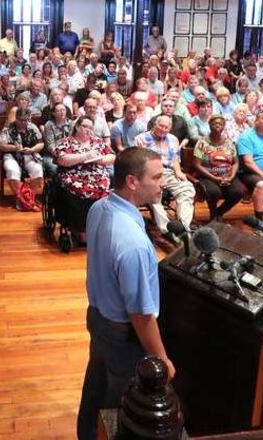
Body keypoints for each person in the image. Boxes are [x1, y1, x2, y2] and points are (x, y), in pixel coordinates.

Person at [76, 147, 176, 440]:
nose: (163, 183)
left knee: (94, 386)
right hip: (122, 336)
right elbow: (142, 315)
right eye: (157, 177)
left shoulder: (98, 207)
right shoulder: (135, 244)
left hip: (98, 318)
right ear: (132, 182)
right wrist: (163, 359)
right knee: (117, 407)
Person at [53, 116, 116, 239]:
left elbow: (112, 156)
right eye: (84, 126)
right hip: (73, 173)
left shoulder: (97, 141)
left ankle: (100, 226)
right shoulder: (66, 142)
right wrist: (85, 156)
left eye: (90, 127)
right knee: (81, 188)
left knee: (104, 185)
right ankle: (80, 228)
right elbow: (61, 159)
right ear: (77, 127)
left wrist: (100, 159)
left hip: (96, 172)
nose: (88, 130)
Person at [135, 115, 196, 240]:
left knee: (187, 189)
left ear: (170, 128)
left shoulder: (173, 139)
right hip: (150, 173)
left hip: (169, 172)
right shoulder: (141, 138)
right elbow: (139, 162)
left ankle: (182, 227)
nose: (163, 129)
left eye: (166, 127)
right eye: (161, 126)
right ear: (154, 125)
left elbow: (175, 160)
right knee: (154, 197)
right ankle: (167, 229)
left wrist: (178, 172)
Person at [193, 114, 246, 221]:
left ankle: (219, 212)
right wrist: (214, 178)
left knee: (239, 191)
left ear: (224, 126)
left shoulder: (229, 142)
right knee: (214, 192)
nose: (218, 126)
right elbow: (197, 165)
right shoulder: (202, 142)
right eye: (215, 123)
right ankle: (213, 214)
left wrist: (231, 177)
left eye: (221, 124)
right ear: (209, 125)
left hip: (227, 175)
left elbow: (235, 162)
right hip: (208, 176)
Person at [0, 108, 45, 210]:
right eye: (20, 120)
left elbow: (41, 144)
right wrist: (14, 148)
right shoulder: (9, 128)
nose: (23, 122)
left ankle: (30, 198)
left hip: (29, 154)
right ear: (16, 118)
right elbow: (0, 145)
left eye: (25, 120)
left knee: (38, 169)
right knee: (12, 170)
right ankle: (21, 199)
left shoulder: (32, 127)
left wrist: (32, 149)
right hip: (12, 155)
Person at [43, 102, 73, 175]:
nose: (62, 112)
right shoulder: (49, 125)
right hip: (52, 155)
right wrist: (60, 155)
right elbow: (50, 145)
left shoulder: (70, 123)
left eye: (63, 110)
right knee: (56, 169)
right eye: (59, 111)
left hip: (69, 153)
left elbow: (72, 140)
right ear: (54, 113)